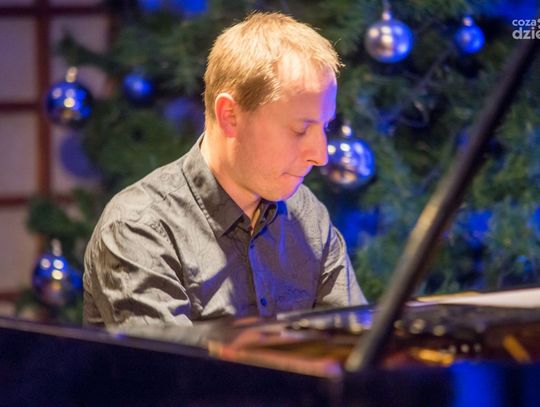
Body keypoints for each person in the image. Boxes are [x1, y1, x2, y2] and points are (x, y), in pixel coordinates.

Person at [83, 11, 366, 328]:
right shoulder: (139, 228)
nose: (321, 155)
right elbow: (171, 362)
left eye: (324, 127)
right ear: (230, 115)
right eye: (300, 129)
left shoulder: (307, 215)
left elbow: (356, 343)